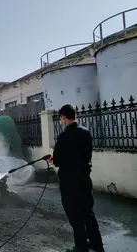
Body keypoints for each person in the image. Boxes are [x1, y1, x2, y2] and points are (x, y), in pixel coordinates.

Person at [52, 104, 104, 252]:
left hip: (69, 183)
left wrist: (54, 159)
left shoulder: (63, 137)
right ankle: (96, 244)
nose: (61, 122)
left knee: (75, 216)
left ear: (64, 117)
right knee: (88, 213)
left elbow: (57, 161)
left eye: (61, 119)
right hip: (84, 179)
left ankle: (81, 247)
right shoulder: (86, 132)